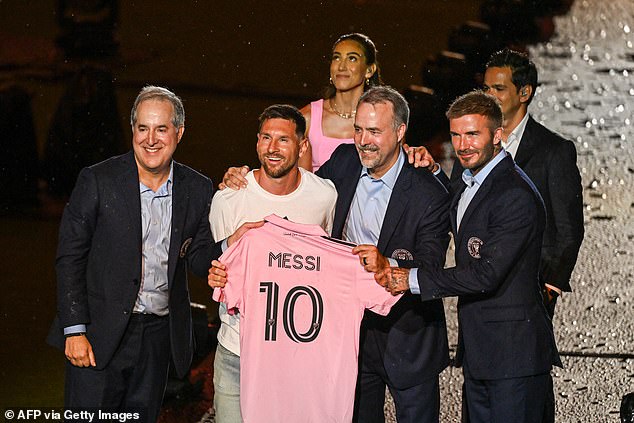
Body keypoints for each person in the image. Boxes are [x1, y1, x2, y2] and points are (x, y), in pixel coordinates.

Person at [377, 90, 561, 423]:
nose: (463, 145)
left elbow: (485, 273)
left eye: (473, 134)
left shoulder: (515, 195)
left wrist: (412, 278)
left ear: (498, 135)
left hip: (514, 358)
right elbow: (455, 211)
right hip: (481, 355)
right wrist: (433, 171)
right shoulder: (467, 180)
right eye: (456, 135)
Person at [46, 86, 223, 422]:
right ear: (133, 130)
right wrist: (74, 330)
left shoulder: (199, 188)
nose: (150, 139)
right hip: (97, 335)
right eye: (143, 128)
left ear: (179, 133)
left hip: (157, 339)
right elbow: (70, 257)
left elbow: (200, 256)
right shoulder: (98, 180)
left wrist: (233, 234)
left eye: (161, 128)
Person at [450, 48, 584, 423]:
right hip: (479, 302)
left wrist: (549, 287)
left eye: (498, 88)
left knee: (521, 388)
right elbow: (454, 204)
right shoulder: (472, 146)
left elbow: (568, 230)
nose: (489, 95)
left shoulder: (553, 151)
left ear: (523, 93)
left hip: (526, 297)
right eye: (486, 88)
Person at [208, 104, 337, 422]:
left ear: (303, 145)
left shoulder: (325, 197)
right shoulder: (228, 200)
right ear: (256, 142)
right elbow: (217, 267)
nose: (273, 148)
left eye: (283, 139)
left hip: (296, 356)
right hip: (236, 352)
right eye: (266, 137)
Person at [298, 32, 382, 172]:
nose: (341, 67)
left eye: (352, 58)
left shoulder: (383, 120)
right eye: (337, 58)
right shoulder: (307, 118)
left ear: (369, 70)